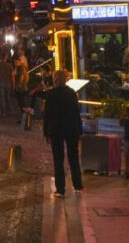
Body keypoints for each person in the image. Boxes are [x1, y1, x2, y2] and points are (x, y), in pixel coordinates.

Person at [43, 69, 83, 197]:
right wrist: (79, 130)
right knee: (73, 157)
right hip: (71, 128)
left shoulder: (50, 94)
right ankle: (78, 185)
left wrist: (46, 132)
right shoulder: (71, 93)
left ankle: (60, 189)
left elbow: (47, 115)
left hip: (56, 129)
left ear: (54, 80)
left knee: (58, 159)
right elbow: (76, 113)